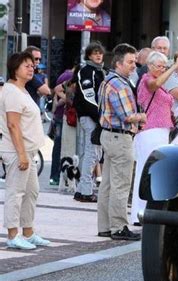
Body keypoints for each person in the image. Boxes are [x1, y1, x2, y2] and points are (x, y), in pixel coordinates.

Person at [0, 51, 50, 249]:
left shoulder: (23, 89)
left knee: (31, 191)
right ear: (15, 69)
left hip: (27, 150)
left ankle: (28, 232)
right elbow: (13, 125)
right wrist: (21, 154)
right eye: (26, 66)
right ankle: (13, 235)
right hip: (15, 151)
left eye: (32, 65)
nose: (32, 68)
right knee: (16, 192)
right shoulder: (11, 91)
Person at [97, 43, 146, 240]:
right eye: (130, 62)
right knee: (121, 184)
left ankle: (105, 226)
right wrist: (142, 117)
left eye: (135, 61)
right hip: (119, 137)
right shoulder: (120, 85)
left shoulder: (108, 81)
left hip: (108, 135)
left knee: (107, 184)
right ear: (118, 63)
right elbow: (127, 116)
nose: (134, 65)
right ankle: (118, 227)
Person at [130, 51, 178, 225]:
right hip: (149, 131)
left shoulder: (161, 85)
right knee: (145, 170)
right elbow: (154, 84)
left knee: (155, 171)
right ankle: (138, 212)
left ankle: (149, 210)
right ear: (150, 66)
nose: (162, 69)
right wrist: (174, 67)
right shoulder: (146, 79)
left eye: (163, 66)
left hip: (161, 131)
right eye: (159, 66)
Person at [73, 42, 107, 203]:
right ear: (89, 56)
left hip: (95, 117)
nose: (98, 56)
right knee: (93, 152)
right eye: (94, 53)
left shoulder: (101, 71)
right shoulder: (86, 71)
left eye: (100, 53)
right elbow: (88, 96)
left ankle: (81, 189)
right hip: (90, 116)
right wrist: (100, 116)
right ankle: (86, 190)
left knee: (93, 152)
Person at [48, 66, 76, 186]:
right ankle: (58, 176)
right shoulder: (71, 77)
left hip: (58, 115)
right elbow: (60, 90)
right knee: (62, 146)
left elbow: (57, 91)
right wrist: (72, 100)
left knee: (57, 146)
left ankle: (54, 176)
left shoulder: (63, 75)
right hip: (64, 116)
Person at [24, 46, 51, 111]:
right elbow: (47, 91)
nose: (38, 62)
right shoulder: (28, 74)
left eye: (39, 59)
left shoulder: (27, 73)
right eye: (36, 59)